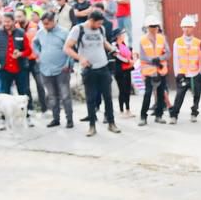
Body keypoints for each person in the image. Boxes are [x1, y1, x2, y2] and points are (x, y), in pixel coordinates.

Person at [65, 8, 121, 136]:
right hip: (89, 69)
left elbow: (104, 42)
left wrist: (112, 49)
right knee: (90, 99)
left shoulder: (101, 29)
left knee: (108, 97)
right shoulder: (78, 29)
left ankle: (111, 123)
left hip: (103, 67)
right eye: (98, 23)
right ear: (90, 20)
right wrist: (80, 58)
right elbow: (67, 48)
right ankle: (92, 126)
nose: (100, 26)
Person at [0, 12, 35, 125]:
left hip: (20, 68)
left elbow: (28, 50)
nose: (6, 24)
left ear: (14, 21)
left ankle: (26, 117)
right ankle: (5, 120)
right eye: (4, 22)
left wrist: (21, 54)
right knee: (4, 94)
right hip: (4, 69)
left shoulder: (21, 32)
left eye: (8, 21)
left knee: (23, 93)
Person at [35, 11, 75, 128]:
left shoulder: (64, 33)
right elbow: (35, 43)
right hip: (45, 69)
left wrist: (69, 63)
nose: (45, 26)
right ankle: (56, 119)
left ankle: (69, 120)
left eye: (47, 24)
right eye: (43, 24)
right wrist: (38, 54)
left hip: (62, 69)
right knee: (52, 96)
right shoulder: (40, 33)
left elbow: (71, 49)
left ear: (54, 21)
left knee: (65, 95)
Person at [169, 15, 201, 123]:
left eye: (189, 27)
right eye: (184, 27)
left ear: (193, 28)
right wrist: (177, 74)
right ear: (182, 28)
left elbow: (200, 57)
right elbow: (176, 58)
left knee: (197, 95)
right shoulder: (177, 42)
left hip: (195, 74)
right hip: (183, 74)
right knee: (179, 96)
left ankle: (194, 113)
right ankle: (174, 116)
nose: (186, 29)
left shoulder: (198, 42)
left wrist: (200, 72)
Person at [137, 14, 170, 126]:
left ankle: (159, 115)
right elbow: (142, 56)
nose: (154, 28)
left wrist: (159, 59)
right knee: (147, 94)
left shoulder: (162, 38)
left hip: (161, 71)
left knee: (161, 94)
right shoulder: (143, 40)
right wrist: (153, 60)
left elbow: (168, 53)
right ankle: (143, 117)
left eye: (156, 26)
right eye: (152, 26)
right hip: (149, 72)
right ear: (147, 27)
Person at [17, 11, 49, 114]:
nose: (18, 18)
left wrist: (41, 55)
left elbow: (43, 41)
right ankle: (30, 108)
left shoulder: (35, 27)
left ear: (25, 16)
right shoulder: (15, 28)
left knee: (40, 84)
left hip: (35, 60)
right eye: (16, 16)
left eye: (20, 16)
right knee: (25, 86)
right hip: (22, 60)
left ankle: (44, 108)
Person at [113, 30, 135, 117]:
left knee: (127, 90)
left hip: (127, 69)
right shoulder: (114, 45)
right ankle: (121, 110)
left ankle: (128, 109)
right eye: (122, 34)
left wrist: (132, 60)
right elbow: (117, 56)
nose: (124, 35)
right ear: (118, 36)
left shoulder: (124, 44)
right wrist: (128, 61)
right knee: (122, 90)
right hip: (120, 70)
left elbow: (129, 54)